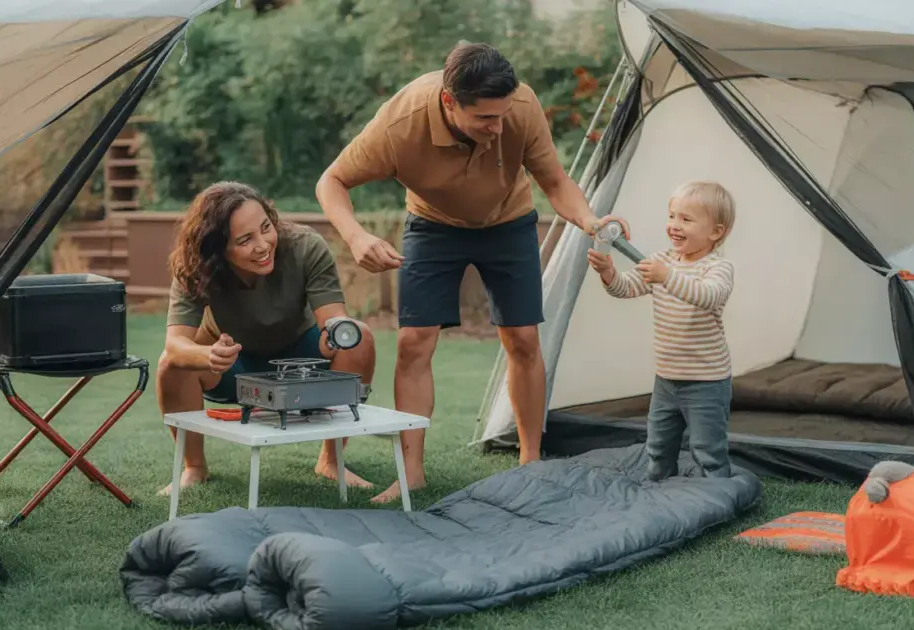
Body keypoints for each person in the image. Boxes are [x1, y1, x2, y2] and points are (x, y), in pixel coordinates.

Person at [315, 42, 628, 504]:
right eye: (485, 118)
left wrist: (590, 219)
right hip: (432, 226)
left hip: (508, 222)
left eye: (502, 116)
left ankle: (530, 461)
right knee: (413, 343)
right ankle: (410, 472)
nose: (498, 127)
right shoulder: (400, 122)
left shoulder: (520, 105)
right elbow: (331, 181)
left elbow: (555, 181)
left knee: (523, 338)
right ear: (448, 101)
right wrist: (358, 237)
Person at [156, 181, 377, 495]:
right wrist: (209, 356)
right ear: (216, 248)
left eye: (266, 228)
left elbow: (334, 319)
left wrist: (333, 336)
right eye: (245, 239)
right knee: (171, 365)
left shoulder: (304, 246)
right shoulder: (194, 266)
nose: (262, 245)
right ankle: (194, 466)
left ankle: (331, 459)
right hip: (233, 365)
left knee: (360, 337)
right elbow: (175, 345)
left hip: (300, 360)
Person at [587, 181, 736, 481]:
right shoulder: (661, 261)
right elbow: (626, 288)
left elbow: (708, 296)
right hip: (666, 379)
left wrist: (666, 277)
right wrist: (608, 273)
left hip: (706, 380)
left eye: (686, 219)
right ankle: (659, 487)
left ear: (715, 232)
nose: (674, 226)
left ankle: (718, 491)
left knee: (707, 446)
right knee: (658, 443)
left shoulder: (717, 268)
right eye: (672, 216)